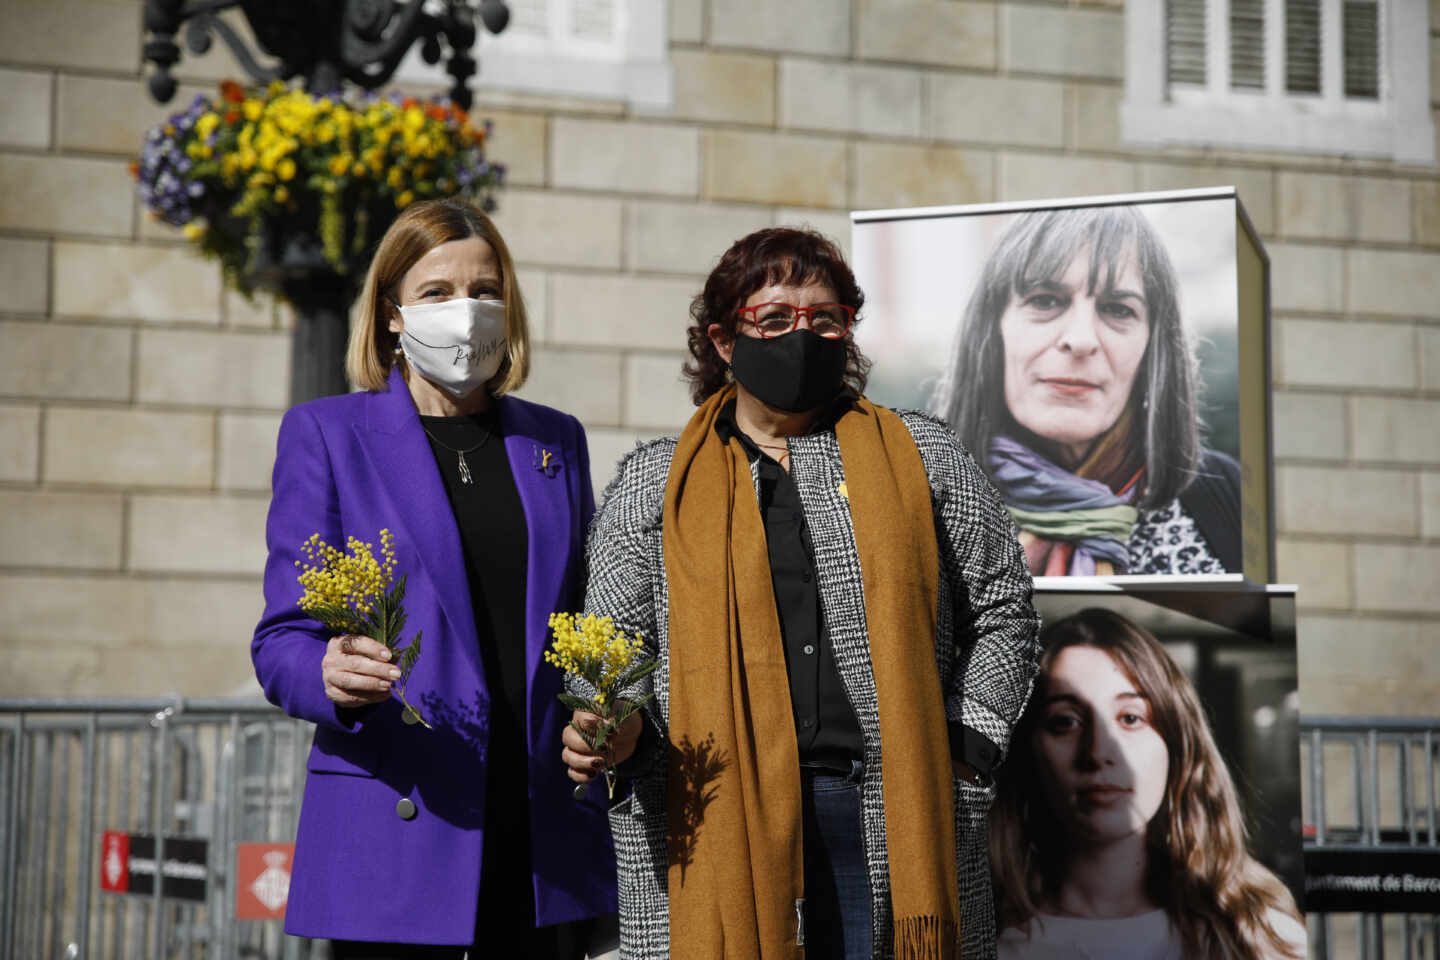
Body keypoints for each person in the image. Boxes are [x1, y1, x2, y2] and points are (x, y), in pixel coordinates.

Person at [563, 227, 1042, 960]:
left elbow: (1004, 607)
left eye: (825, 318)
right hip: (712, 815)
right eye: (777, 318)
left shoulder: (923, 455)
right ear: (725, 341)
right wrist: (617, 724)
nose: (804, 334)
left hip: (892, 813)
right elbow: (613, 647)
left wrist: (965, 747)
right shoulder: (654, 483)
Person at [252, 197, 617, 958]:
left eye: (486, 291)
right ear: (391, 314)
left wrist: (606, 712)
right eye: (437, 293)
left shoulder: (554, 441)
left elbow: (586, 619)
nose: (468, 312)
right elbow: (283, 638)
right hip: (404, 832)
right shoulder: (328, 434)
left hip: (540, 840)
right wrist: (328, 669)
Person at [930, 206, 1241, 577]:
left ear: (1152, 348)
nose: (1080, 339)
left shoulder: (1225, 495)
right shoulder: (921, 510)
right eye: (1045, 300)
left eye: (1117, 309)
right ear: (992, 331)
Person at [989, 608, 1306, 960]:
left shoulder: (1260, 937)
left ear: (1177, 744)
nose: (1098, 752)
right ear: (1026, 750)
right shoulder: (981, 942)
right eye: (1065, 721)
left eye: (1130, 718)